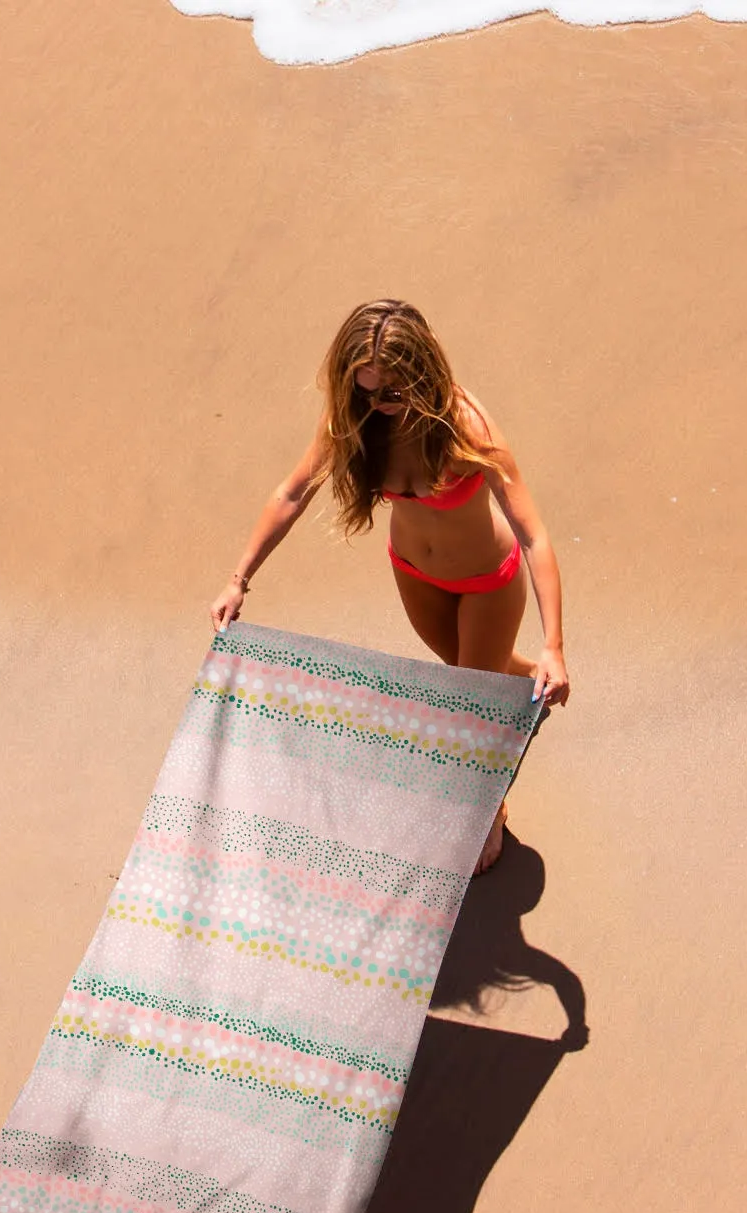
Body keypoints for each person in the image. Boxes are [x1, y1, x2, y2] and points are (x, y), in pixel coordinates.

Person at [209, 299, 570, 874]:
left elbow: (533, 534)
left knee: (461, 708)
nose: (381, 404)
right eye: (368, 391)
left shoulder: (466, 427)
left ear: (423, 374)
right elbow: (292, 493)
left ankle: (488, 810)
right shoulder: (358, 421)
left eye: (394, 392)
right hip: (415, 575)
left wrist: (555, 643)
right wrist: (238, 580)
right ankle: (521, 676)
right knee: (468, 672)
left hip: (486, 583)